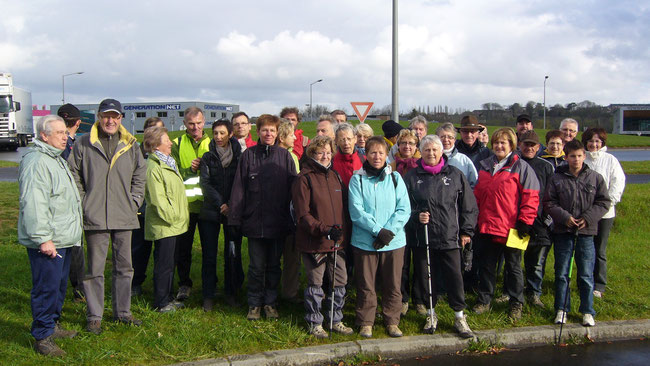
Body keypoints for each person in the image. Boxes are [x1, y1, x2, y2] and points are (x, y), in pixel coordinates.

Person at [68, 98, 146, 334]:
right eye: (106, 116)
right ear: (99, 117)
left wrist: (134, 201)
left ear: (121, 118)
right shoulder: (84, 143)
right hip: (95, 216)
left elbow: (140, 175)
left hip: (124, 215)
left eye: (115, 116)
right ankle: (94, 315)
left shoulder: (131, 144)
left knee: (125, 267)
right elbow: (74, 174)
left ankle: (123, 312)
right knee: (94, 270)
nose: (110, 120)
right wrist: (84, 202)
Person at [19, 115, 83, 356]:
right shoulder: (37, 162)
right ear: (44, 135)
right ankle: (43, 336)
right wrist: (43, 238)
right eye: (59, 133)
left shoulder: (55, 159)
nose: (65, 137)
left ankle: (52, 325)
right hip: (48, 241)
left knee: (57, 287)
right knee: (46, 288)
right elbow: (34, 202)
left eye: (65, 133)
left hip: (63, 238)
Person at [403, 135, 477, 338]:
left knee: (455, 277)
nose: (431, 153)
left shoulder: (455, 175)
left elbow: (468, 206)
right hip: (422, 237)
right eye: (427, 150)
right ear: (421, 151)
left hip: (449, 237)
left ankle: (459, 316)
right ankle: (430, 313)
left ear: (441, 151)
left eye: (435, 149)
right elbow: (401, 208)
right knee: (427, 277)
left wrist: (466, 231)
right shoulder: (411, 177)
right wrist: (415, 216)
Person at [229, 114, 297, 320]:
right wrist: (234, 218)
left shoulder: (284, 157)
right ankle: (254, 304)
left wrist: (294, 218)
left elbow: (293, 189)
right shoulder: (248, 156)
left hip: (277, 222)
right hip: (254, 222)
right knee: (256, 267)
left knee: (274, 266)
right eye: (265, 130)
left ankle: (270, 302)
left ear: (277, 134)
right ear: (257, 132)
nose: (269, 134)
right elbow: (239, 189)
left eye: (272, 131)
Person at [472, 128, 539, 321]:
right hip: (487, 226)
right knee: (487, 266)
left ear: (512, 145)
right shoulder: (485, 167)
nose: (499, 146)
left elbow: (531, 196)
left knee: (514, 267)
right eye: (496, 143)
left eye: (504, 143)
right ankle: (484, 300)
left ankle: (516, 303)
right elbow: (477, 196)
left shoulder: (521, 167)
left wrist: (525, 221)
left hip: (514, 228)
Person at [348, 136, 411, 338]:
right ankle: (366, 321)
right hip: (365, 242)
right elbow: (356, 211)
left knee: (393, 283)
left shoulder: (395, 178)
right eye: (373, 152)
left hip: (394, 242)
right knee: (366, 284)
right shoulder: (357, 179)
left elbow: (404, 209)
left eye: (381, 153)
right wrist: (377, 231)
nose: (377, 157)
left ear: (387, 155)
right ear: (366, 154)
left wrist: (388, 232)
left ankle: (392, 320)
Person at [292, 135, 354, 338]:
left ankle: (335, 318)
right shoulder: (304, 178)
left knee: (339, 281)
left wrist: (342, 233)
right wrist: (324, 229)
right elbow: (302, 215)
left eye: (328, 152)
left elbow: (344, 209)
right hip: (315, 242)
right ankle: (314, 321)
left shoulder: (335, 176)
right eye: (321, 152)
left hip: (337, 241)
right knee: (316, 284)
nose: (326, 156)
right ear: (312, 154)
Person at [544, 140, 610, 327]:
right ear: (566, 157)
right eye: (572, 156)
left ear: (584, 156)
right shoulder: (557, 178)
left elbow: (603, 202)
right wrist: (564, 217)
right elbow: (549, 202)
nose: (576, 159)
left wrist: (588, 218)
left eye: (580, 155)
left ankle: (587, 311)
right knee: (562, 273)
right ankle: (562, 309)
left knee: (585, 274)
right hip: (563, 231)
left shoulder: (595, 178)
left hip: (586, 232)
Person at [198, 119, 244, 310]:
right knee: (209, 254)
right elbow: (205, 183)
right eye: (215, 133)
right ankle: (208, 294)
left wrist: (231, 204)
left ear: (230, 134)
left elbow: (241, 182)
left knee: (232, 254)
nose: (218, 137)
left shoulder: (240, 157)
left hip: (233, 213)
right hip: (210, 211)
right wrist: (221, 204)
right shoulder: (208, 157)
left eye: (222, 133)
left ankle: (231, 292)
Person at [142, 126, 189, 313]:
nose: (170, 142)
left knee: (170, 263)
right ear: (156, 144)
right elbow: (157, 199)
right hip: (166, 225)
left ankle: (168, 297)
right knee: (164, 265)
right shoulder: (154, 167)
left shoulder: (168, 162)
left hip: (174, 224)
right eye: (167, 140)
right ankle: (161, 302)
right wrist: (173, 217)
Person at [171, 106, 211, 302]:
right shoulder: (176, 143)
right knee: (183, 249)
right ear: (185, 124)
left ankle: (208, 286)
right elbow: (173, 172)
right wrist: (190, 169)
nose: (195, 127)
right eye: (191, 124)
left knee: (209, 249)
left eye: (198, 123)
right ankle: (184, 284)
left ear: (204, 123)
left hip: (206, 205)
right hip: (185, 206)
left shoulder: (212, 142)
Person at [582, 128, 625, 299]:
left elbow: (617, 183)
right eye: (591, 141)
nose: (594, 144)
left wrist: (605, 205)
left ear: (602, 143)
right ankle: (583, 280)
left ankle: (599, 283)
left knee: (599, 249)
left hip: (605, 214)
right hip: (584, 214)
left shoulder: (610, 160)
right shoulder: (581, 158)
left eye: (597, 141)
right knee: (585, 250)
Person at [517, 131, 555, 307]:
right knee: (515, 260)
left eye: (533, 145)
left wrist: (547, 217)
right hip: (518, 221)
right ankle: (513, 292)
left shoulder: (546, 166)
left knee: (536, 263)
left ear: (539, 148)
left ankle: (534, 293)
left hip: (539, 222)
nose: (529, 147)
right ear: (519, 145)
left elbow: (551, 194)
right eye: (526, 144)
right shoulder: (514, 163)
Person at [131, 117, 165, 297]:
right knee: (138, 250)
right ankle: (135, 283)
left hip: (160, 211)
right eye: (151, 130)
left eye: (159, 130)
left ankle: (160, 286)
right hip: (140, 211)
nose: (154, 134)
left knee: (161, 252)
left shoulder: (167, 154)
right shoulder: (134, 152)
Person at [389, 129, 420, 316]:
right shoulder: (391, 166)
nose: (407, 146)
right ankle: (402, 298)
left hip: (417, 219)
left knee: (420, 261)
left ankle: (420, 298)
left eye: (411, 143)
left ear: (416, 146)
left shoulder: (421, 165)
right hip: (398, 220)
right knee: (402, 263)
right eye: (403, 143)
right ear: (398, 145)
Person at [56, 104, 84, 302]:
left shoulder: (55, 142)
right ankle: (78, 288)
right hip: (69, 203)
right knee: (74, 246)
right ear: (78, 123)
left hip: (63, 203)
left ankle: (71, 286)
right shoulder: (69, 145)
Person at [277, 120, 302, 303]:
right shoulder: (285, 157)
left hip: (288, 214)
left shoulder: (292, 155)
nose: (295, 137)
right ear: (282, 137)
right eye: (291, 134)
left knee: (291, 256)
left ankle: (288, 292)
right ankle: (286, 293)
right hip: (282, 213)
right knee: (285, 256)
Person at [436, 122, 478, 188]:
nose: (446, 140)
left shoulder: (464, 160)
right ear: (437, 139)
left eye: (450, 137)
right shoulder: (431, 159)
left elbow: (474, 185)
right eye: (442, 137)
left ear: (455, 140)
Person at [332, 123, 363, 187]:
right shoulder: (331, 162)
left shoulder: (364, 160)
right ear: (336, 141)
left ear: (355, 139)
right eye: (342, 140)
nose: (346, 143)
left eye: (349, 139)